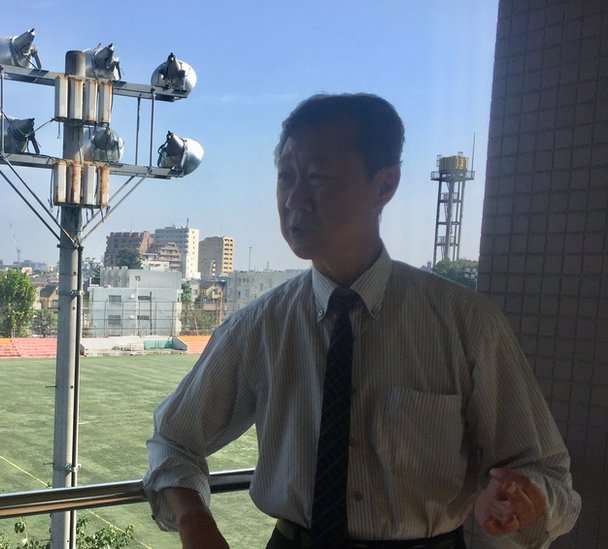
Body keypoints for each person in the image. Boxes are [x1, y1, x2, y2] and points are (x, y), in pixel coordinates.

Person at [143, 93, 580, 548]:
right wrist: (195, 521)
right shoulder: (259, 327)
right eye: (286, 177)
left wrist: (527, 496)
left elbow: (546, 472)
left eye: (318, 177)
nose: (295, 198)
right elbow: (173, 440)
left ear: (385, 184)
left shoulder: (466, 325)